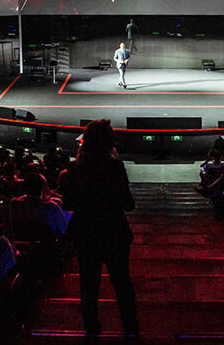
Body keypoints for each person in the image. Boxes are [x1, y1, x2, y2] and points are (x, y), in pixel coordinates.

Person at [58, 119, 138, 337]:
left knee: (88, 285)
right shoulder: (115, 167)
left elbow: (68, 204)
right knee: (122, 283)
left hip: (85, 233)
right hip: (114, 232)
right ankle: (130, 328)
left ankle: (91, 329)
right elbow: (128, 204)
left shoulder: (74, 169)